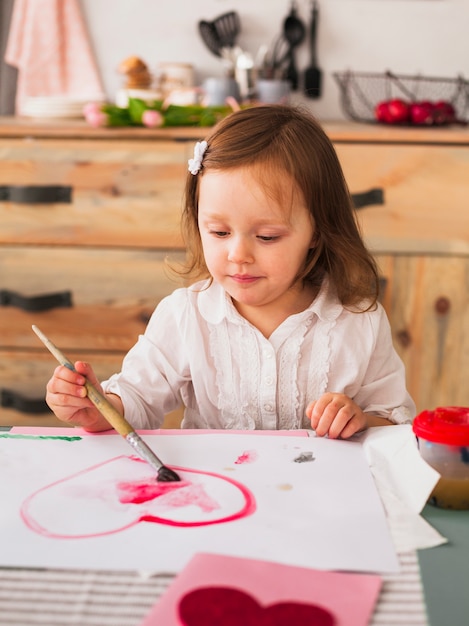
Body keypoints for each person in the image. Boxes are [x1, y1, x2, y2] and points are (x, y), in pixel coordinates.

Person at [45, 105, 415, 438]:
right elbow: (136, 401)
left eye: (267, 236)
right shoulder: (186, 315)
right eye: (219, 232)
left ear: (317, 230)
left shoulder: (359, 321)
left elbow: (396, 420)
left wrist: (361, 420)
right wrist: (96, 409)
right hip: (218, 501)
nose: (238, 254)